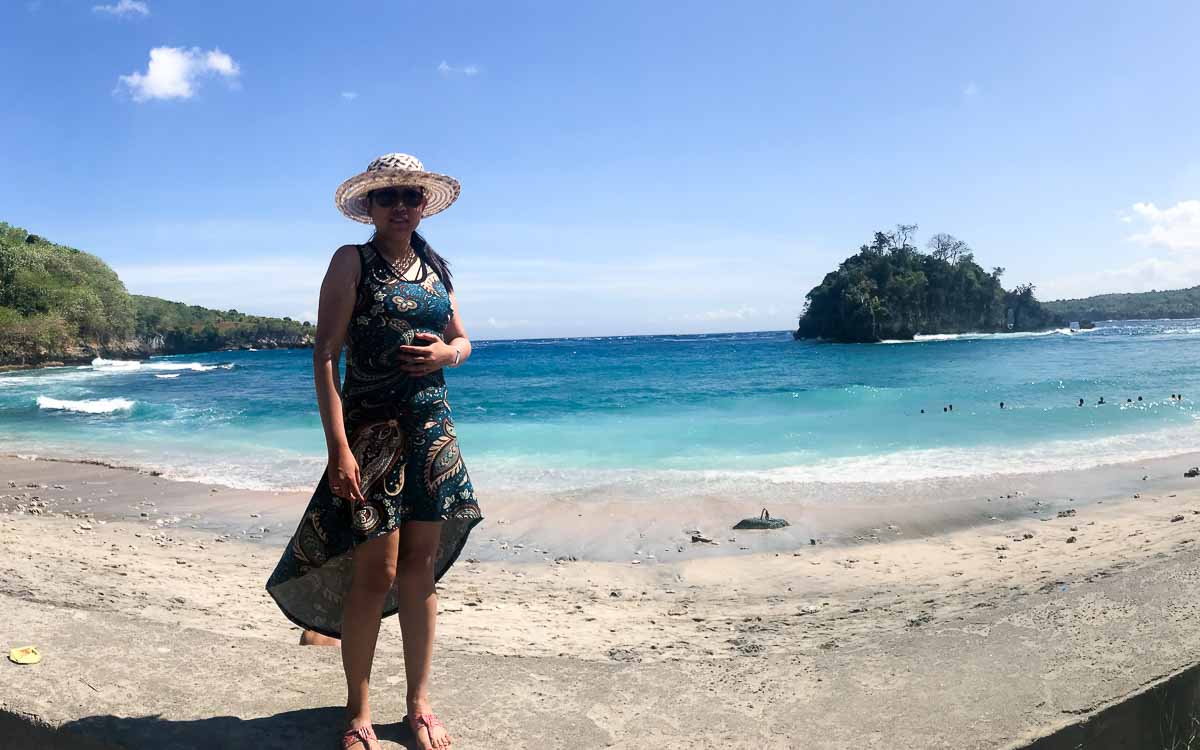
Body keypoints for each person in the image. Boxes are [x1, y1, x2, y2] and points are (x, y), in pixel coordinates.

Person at [266, 153, 483, 750]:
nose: (400, 206)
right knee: (375, 573)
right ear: (369, 206)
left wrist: (449, 355)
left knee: (420, 572)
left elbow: (463, 337)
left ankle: (418, 705)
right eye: (388, 197)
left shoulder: (436, 266)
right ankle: (358, 712)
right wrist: (338, 446)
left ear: (422, 203)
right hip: (372, 433)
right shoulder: (351, 261)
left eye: (410, 196)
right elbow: (324, 356)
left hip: (432, 433)